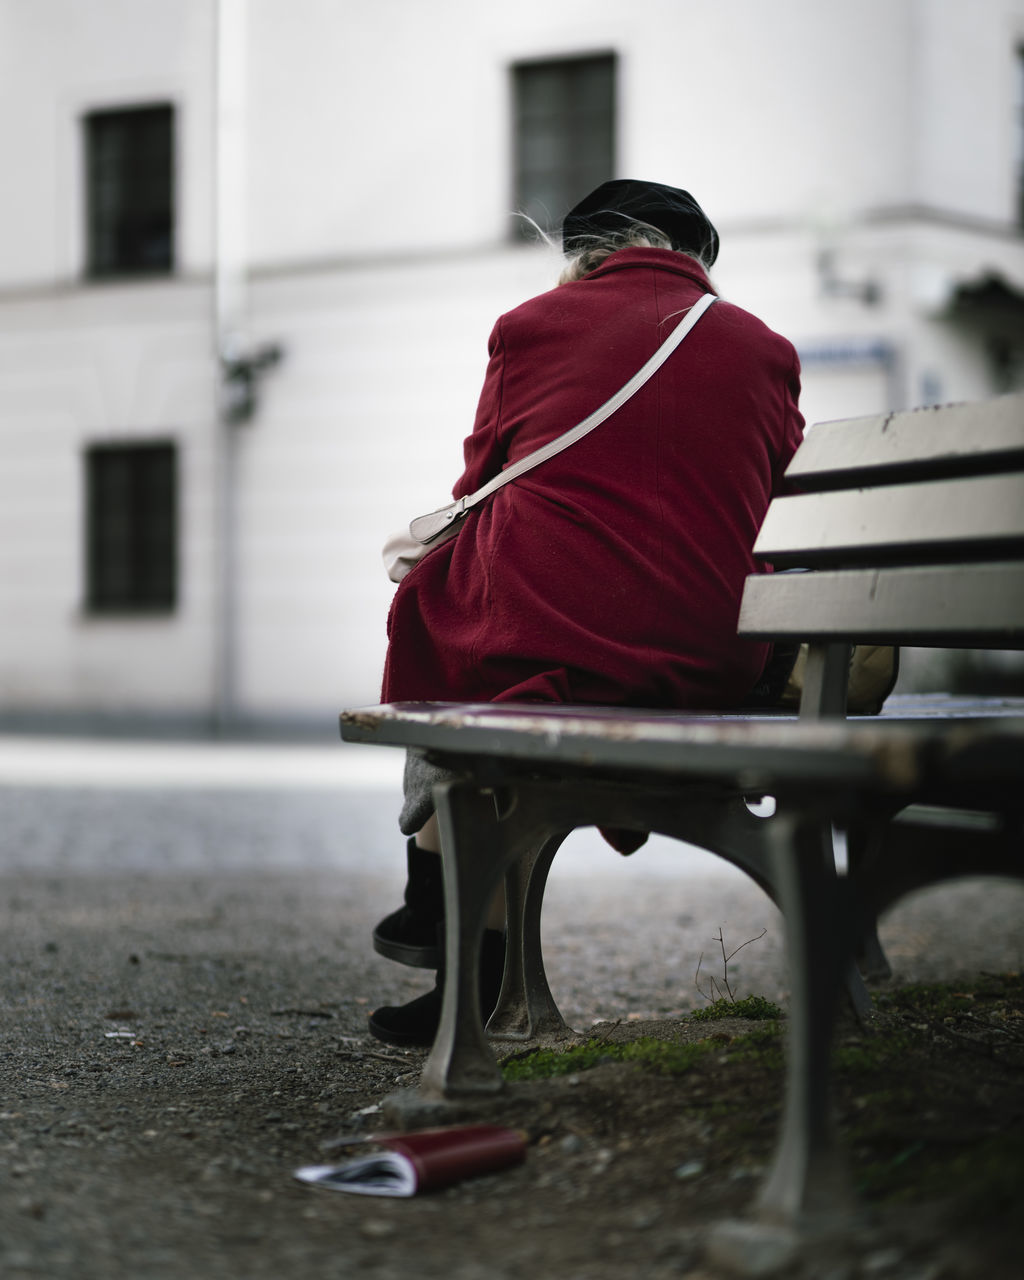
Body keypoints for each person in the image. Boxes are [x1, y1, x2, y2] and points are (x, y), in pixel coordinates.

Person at [367, 179, 805, 1047]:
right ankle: (458, 945)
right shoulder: (765, 350)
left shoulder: (528, 328)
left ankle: (447, 919)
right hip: (712, 660)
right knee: (478, 633)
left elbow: (479, 484)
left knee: (445, 613)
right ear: (697, 259)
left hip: (550, 650)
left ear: (580, 255)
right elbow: (778, 510)